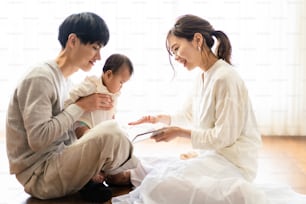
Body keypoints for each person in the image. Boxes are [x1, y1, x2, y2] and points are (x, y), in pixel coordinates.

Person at [112, 14, 265, 204]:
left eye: (176, 49)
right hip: (212, 158)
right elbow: (187, 115)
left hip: (232, 165)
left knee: (156, 184)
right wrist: (158, 119)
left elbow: (224, 137)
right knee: (149, 166)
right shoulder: (203, 77)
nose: (176, 57)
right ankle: (124, 175)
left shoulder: (225, 78)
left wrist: (178, 132)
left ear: (197, 40)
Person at [5, 12, 138, 203]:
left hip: (57, 162)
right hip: (40, 176)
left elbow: (66, 134)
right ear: (73, 41)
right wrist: (81, 105)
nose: (99, 57)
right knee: (112, 132)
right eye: (94, 47)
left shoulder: (66, 83)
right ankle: (116, 175)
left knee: (114, 129)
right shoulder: (40, 78)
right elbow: (39, 139)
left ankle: (101, 177)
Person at [64, 53, 134, 183]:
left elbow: (112, 111)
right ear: (108, 75)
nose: (121, 86)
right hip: (84, 124)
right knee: (87, 144)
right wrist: (72, 105)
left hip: (100, 127)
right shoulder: (92, 85)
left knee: (104, 148)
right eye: (121, 82)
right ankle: (90, 175)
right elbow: (72, 95)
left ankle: (103, 171)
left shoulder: (115, 94)